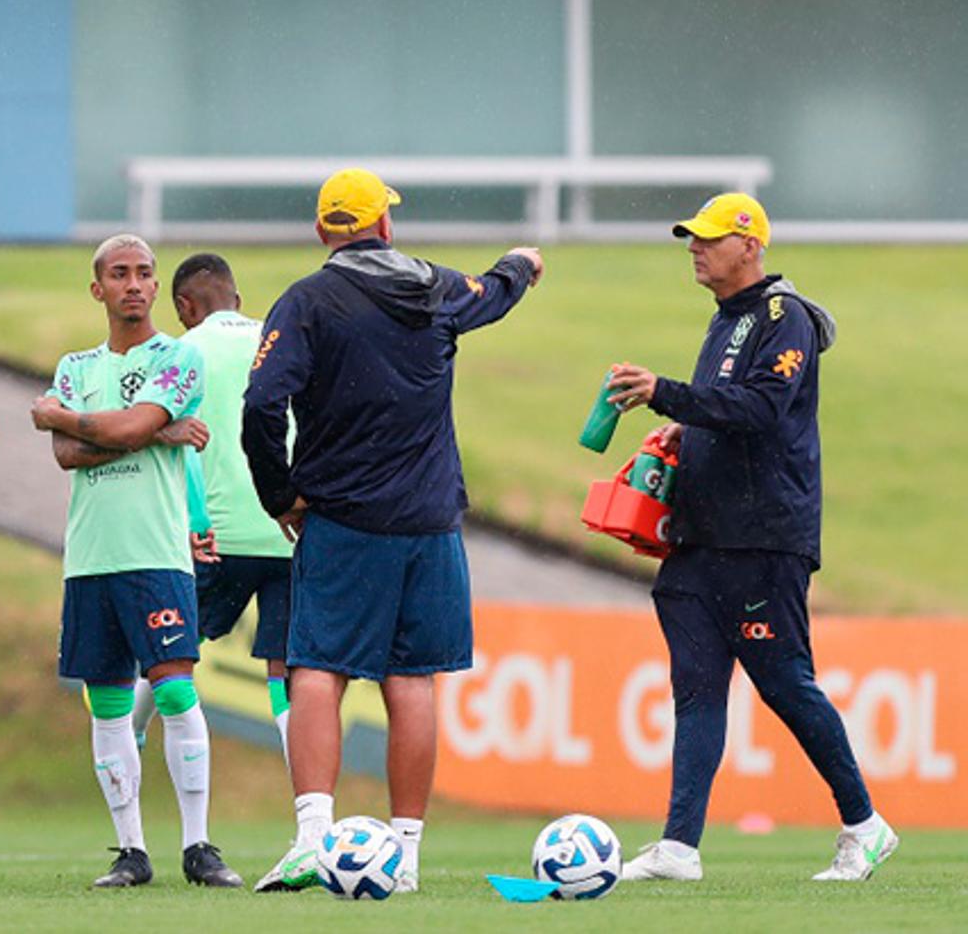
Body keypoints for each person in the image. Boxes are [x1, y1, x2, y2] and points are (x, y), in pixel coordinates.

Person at [242, 169, 542, 894]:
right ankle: (404, 854)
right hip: (431, 519)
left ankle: (314, 838)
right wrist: (522, 263)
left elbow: (260, 402)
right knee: (412, 681)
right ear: (385, 225)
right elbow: (493, 293)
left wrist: (278, 493)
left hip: (343, 519)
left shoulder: (308, 301)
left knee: (317, 669)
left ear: (323, 234)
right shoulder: (437, 289)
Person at [605, 194, 895, 883]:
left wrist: (667, 395)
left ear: (751, 247)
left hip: (764, 536)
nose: (694, 248)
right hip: (702, 538)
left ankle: (866, 825)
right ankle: (679, 845)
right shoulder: (725, 321)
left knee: (787, 684)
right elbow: (731, 412)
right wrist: (687, 429)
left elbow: (764, 406)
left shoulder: (782, 316)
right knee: (696, 687)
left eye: (708, 239)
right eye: (691, 238)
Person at [30, 234, 241, 891]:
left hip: (156, 552)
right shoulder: (75, 365)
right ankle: (131, 850)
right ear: (97, 288)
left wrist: (84, 420)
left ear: (156, 288)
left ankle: (200, 844)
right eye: (119, 274)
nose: (133, 284)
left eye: (144, 273)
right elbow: (66, 455)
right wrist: (156, 430)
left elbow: (101, 432)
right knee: (107, 702)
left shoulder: (178, 357)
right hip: (91, 555)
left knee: (176, 689)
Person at [170, 253, 296, 762]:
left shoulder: (182, 351)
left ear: (185, 306)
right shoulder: (279, 342)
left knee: (167, 657)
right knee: (288, 676)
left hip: (215, 537)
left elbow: (180, 447)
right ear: (237, 300)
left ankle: (126, 747)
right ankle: (308, 817)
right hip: (287, 533)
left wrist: (194, 522)